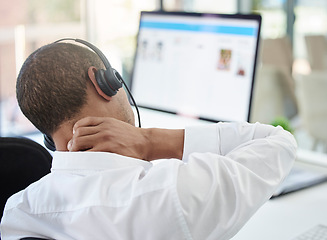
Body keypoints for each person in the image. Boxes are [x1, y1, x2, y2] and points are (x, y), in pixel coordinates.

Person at [0, 41, 297, 240]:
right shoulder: (171, 193)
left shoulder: (16, 211)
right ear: (103, 81)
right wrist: (149, 141)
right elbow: (277, 143)